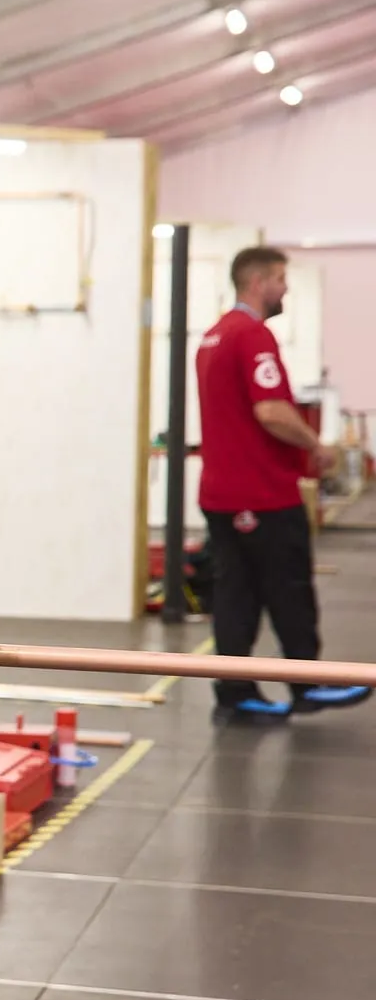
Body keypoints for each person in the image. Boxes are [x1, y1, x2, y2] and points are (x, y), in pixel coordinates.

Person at [195, 245, 367, 723]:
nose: (285, 289)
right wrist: (316, 445)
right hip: (261, 494)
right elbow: (270, 410)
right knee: (288, 588)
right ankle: (306, 685)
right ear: (258, 282)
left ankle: (236, 693)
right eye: (280, 279)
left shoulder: (213, 336)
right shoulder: (252, 335)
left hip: (222, 492)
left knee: (236, 595)